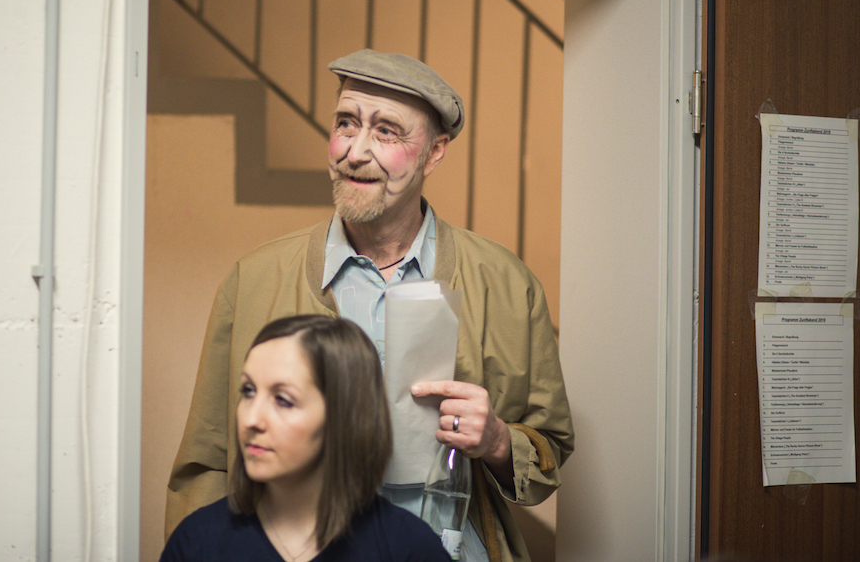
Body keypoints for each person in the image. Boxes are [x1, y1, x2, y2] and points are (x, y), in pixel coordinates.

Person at [167, 49, 574, 562]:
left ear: (434, 153)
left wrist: (495, 440)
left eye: (387, 132)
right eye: (346, 123)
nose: (355, 152)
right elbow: (207, 464)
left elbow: (549, 448)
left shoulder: (507, 285)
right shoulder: (254, 281)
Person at [161, 315, 449, 562]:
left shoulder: (411, 549)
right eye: (248, 391)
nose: (251, 420)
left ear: (343, 416)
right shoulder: (196, 542)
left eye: (283, 400)